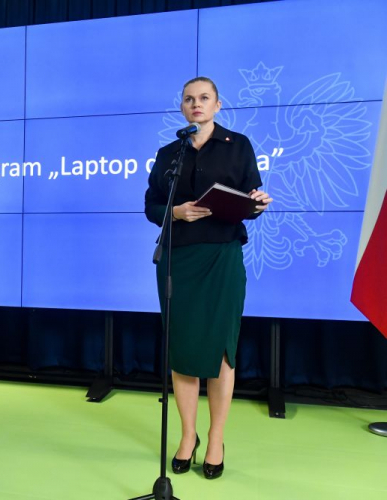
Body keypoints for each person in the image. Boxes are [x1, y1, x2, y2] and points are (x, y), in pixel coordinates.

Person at [144, 76, 272, 479]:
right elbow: (151, 205)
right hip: (177, 260)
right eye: (188, 99)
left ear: (217, 104)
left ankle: (216, 438)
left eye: (204, 98)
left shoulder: (240, 146)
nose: (196, 104)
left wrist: (257, 205)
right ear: (182, 107)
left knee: (219, 352)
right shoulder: (169, 153)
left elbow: (252, 200)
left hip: (221, 256)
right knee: (181, 351)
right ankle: (187, 436)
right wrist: (176, 211)